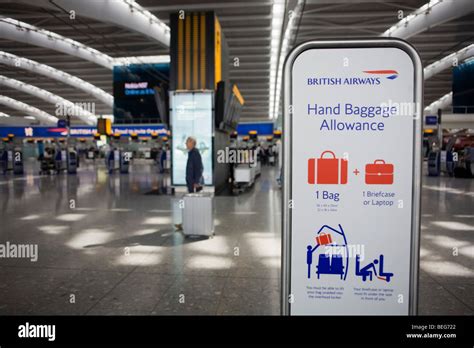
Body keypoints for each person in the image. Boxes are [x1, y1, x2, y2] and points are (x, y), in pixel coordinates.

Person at [175, 136, 204, 231]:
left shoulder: (195, 153)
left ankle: (189, 224)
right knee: (188, 204)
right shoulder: (191, 153)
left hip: (194, 184)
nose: (185, 144)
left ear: (192, 143)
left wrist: (196, 182)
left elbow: (199, 168)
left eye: (187, 142)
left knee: (191, 205)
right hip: (191, 183)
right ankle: (186, 223)